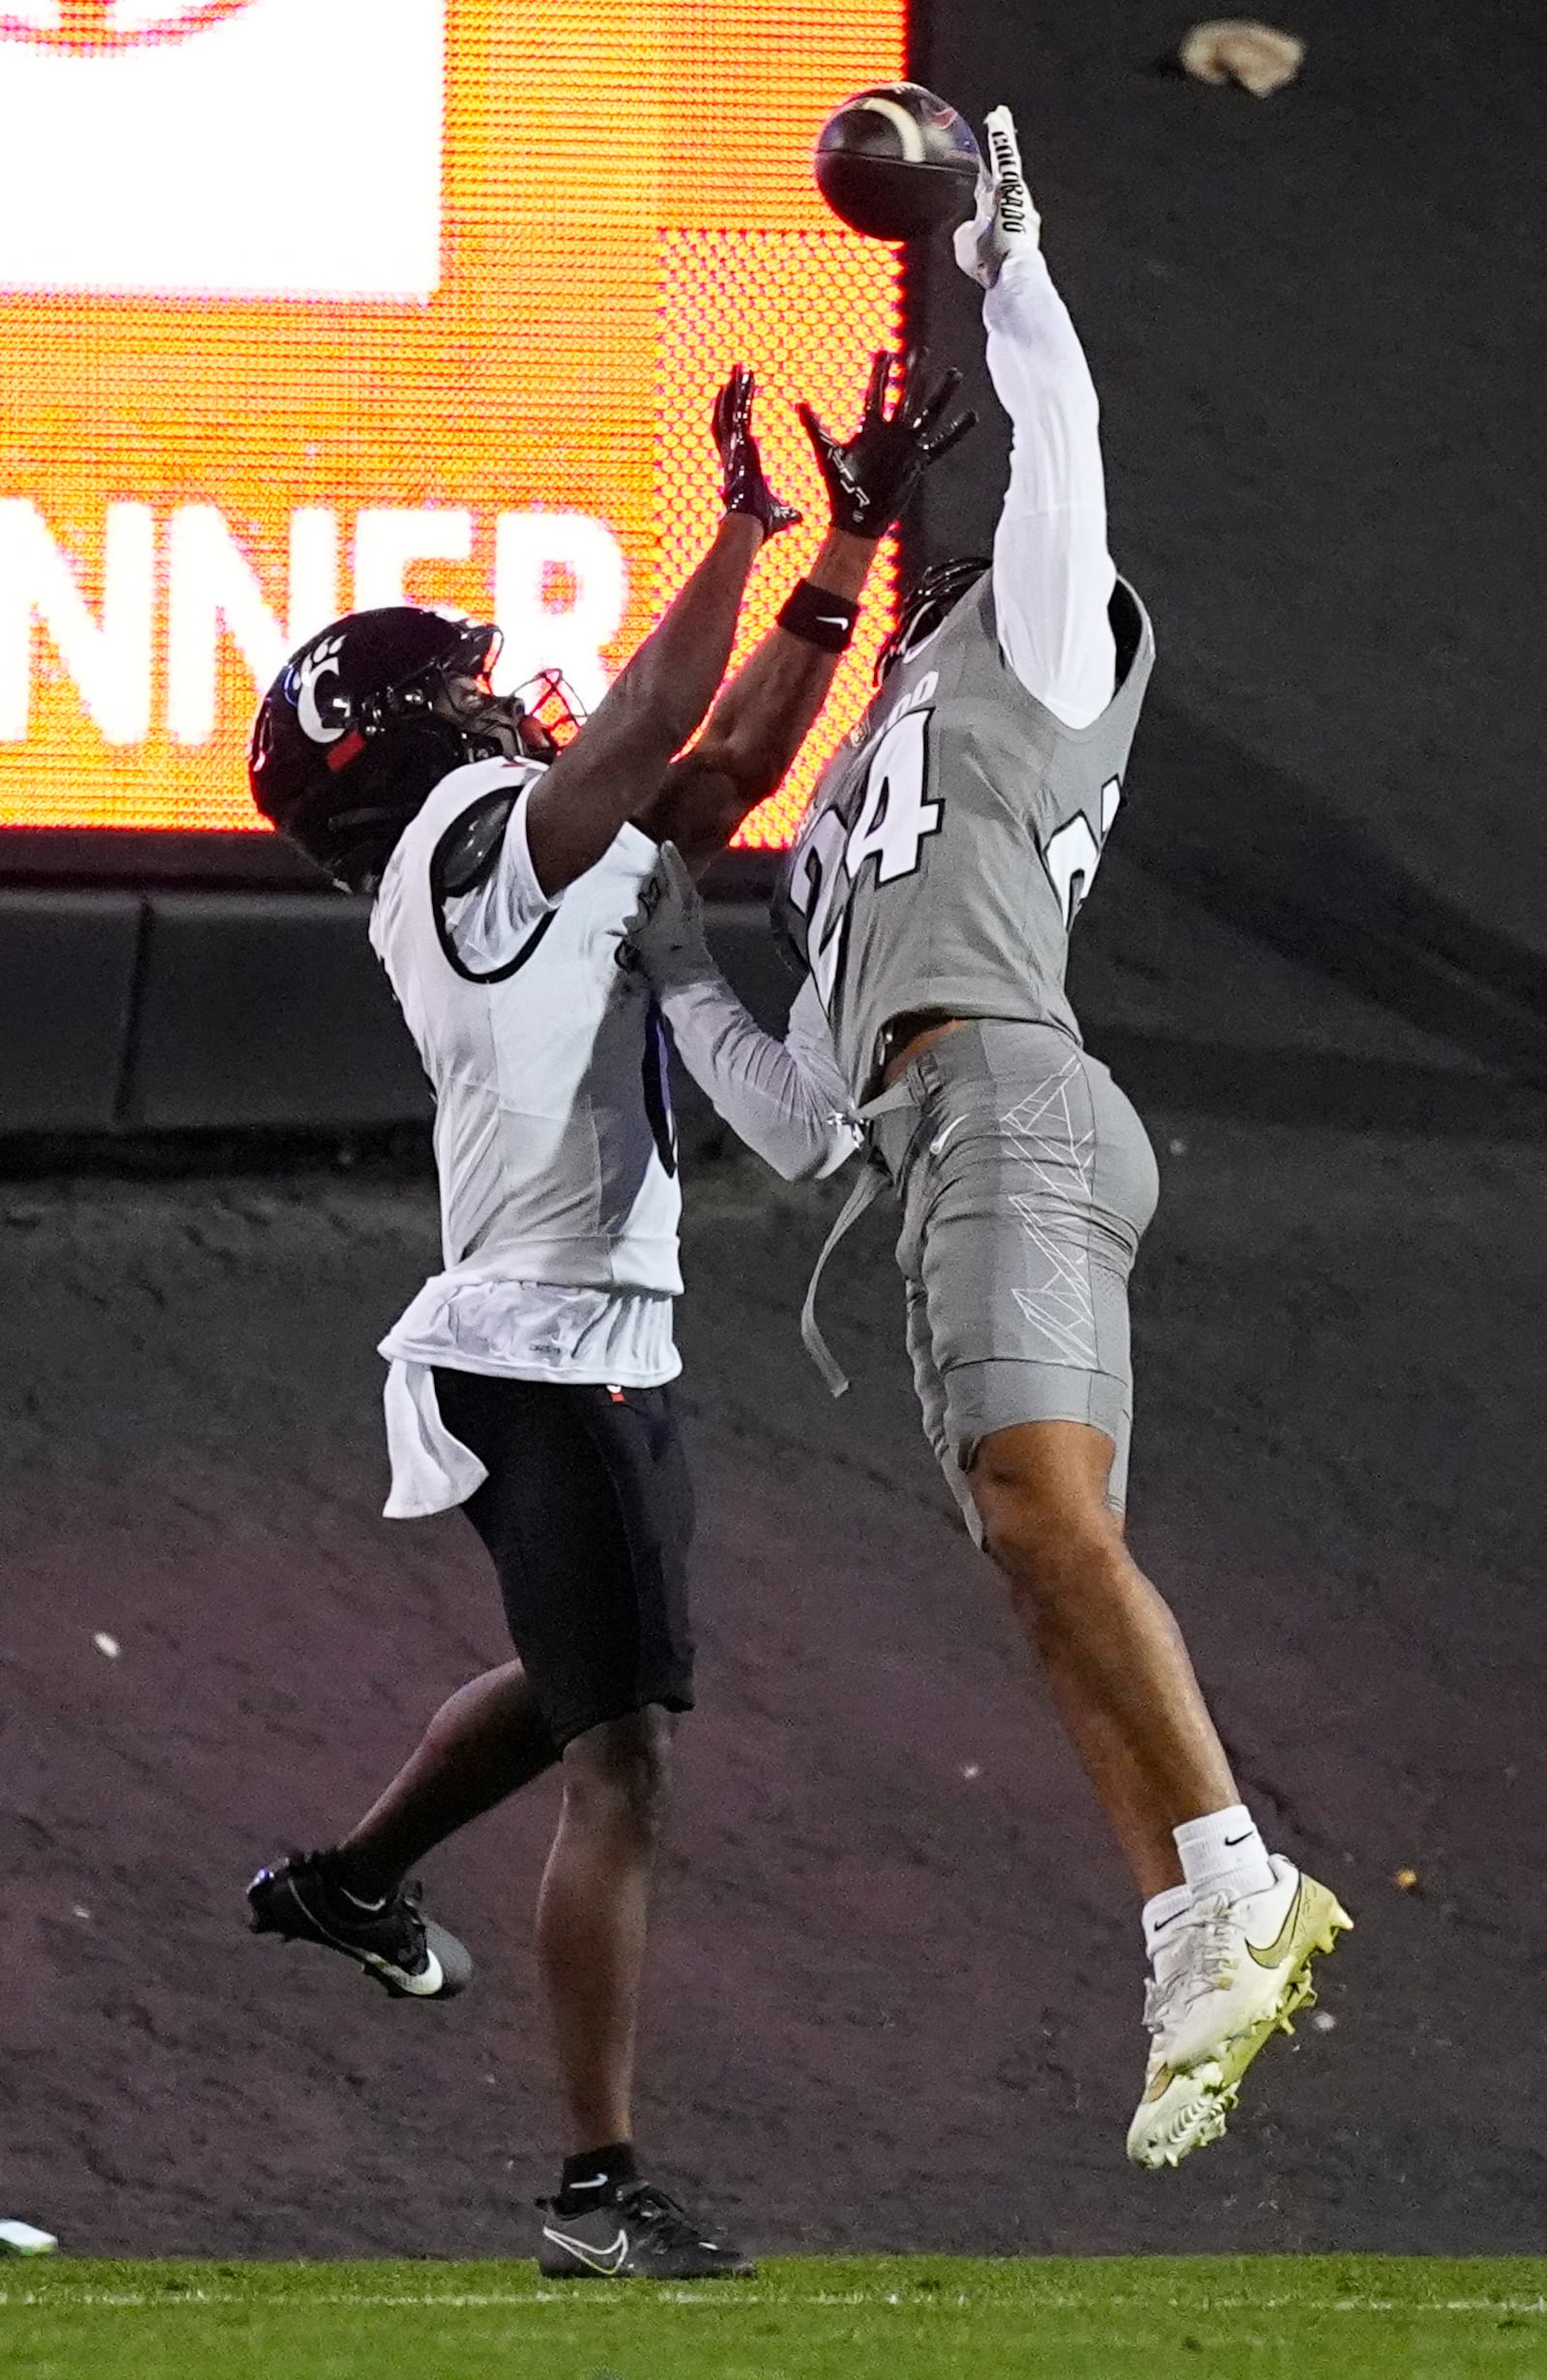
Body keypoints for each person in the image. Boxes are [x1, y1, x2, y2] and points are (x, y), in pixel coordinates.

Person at [639, 110, 1351, 2173]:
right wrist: (671, 953)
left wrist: (987, 238)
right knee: (1034, 1553)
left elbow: (1057, 426)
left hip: (1011, 1104)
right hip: (929, 1137)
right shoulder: (862, 787)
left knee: (1043, 1518)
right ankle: (1184, 1918)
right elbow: (793, 1121)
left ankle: (1228, 1871)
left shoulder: (1042, 643)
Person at [243, 360, 969, 2274]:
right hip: (542, 1341)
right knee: (624, 1749)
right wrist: (739, 522)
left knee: (592, 1681)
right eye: (453, 693)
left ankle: (348, 1878)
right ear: (399, 754)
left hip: (573, 1335)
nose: (498, 695)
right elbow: (651, 714)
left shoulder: (519, 858)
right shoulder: (461, 851)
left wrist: (844, 558)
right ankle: (591, 2192)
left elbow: (719, 768)